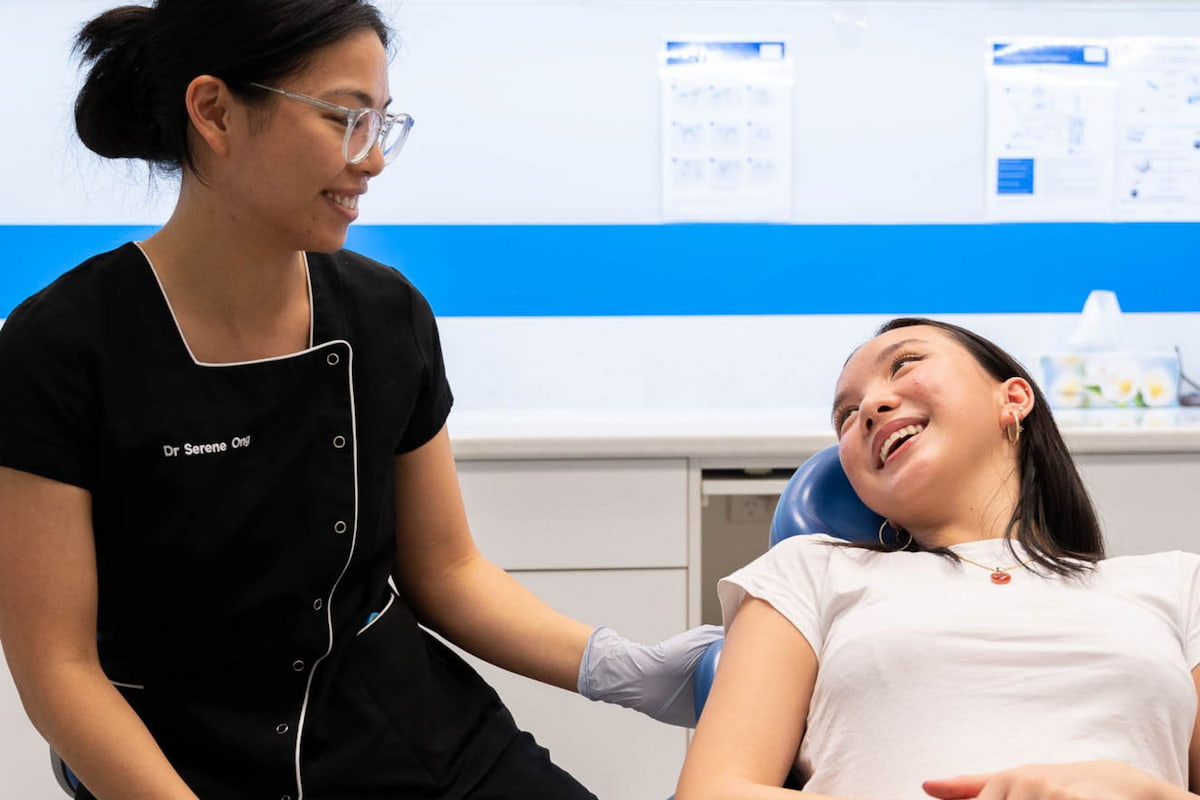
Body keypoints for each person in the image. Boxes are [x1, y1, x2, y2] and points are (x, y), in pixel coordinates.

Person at [0, 2, 717, 799]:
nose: (371, 160)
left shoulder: (385, 315)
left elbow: (446, 570)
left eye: (382, 123)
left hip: (412, 731)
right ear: (214, 111)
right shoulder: (59, 349)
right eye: (345, 118)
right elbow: (58, 669)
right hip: (178, 758)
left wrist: (619, 668)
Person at [675, 318, 1200, 800]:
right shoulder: (809, 571)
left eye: (905, 365)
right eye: (846, 417)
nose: (870, 410)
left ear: (1013, 398)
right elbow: (715, 791)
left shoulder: (1177, 584)